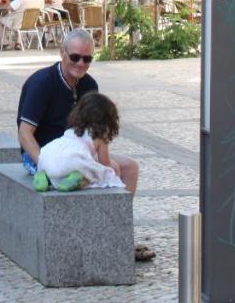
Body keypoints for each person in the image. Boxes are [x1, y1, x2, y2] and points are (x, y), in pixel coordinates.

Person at [17, 29, 150, 261]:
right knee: (104, 171)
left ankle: (118, 235)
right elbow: (25, 132)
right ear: (62, 52)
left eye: (87, 59)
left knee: (130, 168)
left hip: (78, 151)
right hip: (42, 154)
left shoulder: (90, 84)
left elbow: (96, 131)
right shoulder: (42, 83)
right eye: (75, 57)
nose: (81, 63)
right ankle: (105, 237)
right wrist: (43, 165)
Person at [33, 92, 126, 192]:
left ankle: (44, 177)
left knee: (58, 170)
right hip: (73, 161)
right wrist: (114, 169)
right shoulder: (100, 136)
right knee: (95, 175)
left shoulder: (73, 129)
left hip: (47, 156)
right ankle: (80, 181)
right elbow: (105, 162)